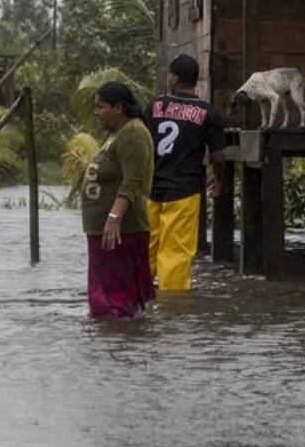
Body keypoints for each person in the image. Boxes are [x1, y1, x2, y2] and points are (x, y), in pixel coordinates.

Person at [146, 53, 226, 291]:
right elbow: (217, 156)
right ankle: (173, 310)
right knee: (175, 253)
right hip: (184, 190)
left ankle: (138, 300)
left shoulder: (155, 105)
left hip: (151, 187)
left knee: (146, 246)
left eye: (169, 75)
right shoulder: (207, 112)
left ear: (175, 78)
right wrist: (218, 178)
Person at [80, 81, 156, 320]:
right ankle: (119, 343)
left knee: (116, 303)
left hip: (122, 231)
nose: (96, 112)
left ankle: (119, 348)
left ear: (119, 107)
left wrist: (114, 218)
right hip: (106, 232)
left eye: (101, 107)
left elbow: (133, 181)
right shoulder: (118, 134)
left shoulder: (133, 134)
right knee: (109, 299)